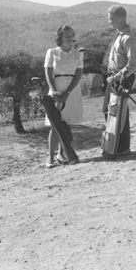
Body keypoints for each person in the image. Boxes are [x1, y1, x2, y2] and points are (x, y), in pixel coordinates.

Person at [43, 25, 84, 168]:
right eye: (66, 34)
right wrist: (54, 90)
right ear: (59, 37)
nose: (69, 36)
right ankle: (50, 158)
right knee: (55, 125)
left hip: (72, 89)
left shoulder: (78, 53)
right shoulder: (52, 52)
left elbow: (78, 74)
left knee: (66, 123)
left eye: (71, 34)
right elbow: (48, 72)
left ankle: (62, 154)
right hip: (56, 88)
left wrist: (67, 93)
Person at [102, 5, 136, 158]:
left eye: (111, 18)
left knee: (119, 113)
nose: (109, 21)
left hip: (121, 79)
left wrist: (116, 77)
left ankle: (121, 148)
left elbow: (133, 63)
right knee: (114, 112)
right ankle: (116, 146)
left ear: (120, 18)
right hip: (114, 78)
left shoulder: (128, 38)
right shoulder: (119, 35)